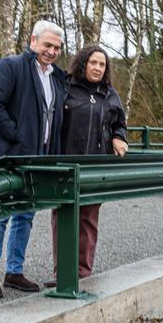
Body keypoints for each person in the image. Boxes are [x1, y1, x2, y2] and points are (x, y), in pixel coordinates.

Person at [0, 19, 68, 298]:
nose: (52, 51)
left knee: (25, 216)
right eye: (47, 45)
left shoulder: (57, 77)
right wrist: (17, 135)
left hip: (39, 159)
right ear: (33, 41)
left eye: (57, 47)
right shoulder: (11, 67)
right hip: (8, 157)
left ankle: (14, 271)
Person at [44, 45, 128, 286]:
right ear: (83, 64)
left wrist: (118, 137)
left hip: (96, 166)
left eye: (102, 65)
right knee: (62, 217)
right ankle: (62, 273)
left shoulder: (109, 94)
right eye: (93, 63)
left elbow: (119, 123)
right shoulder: (66, 88)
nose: (98, 68)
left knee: (89, 219)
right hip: (67, 164)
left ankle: (82, 273)